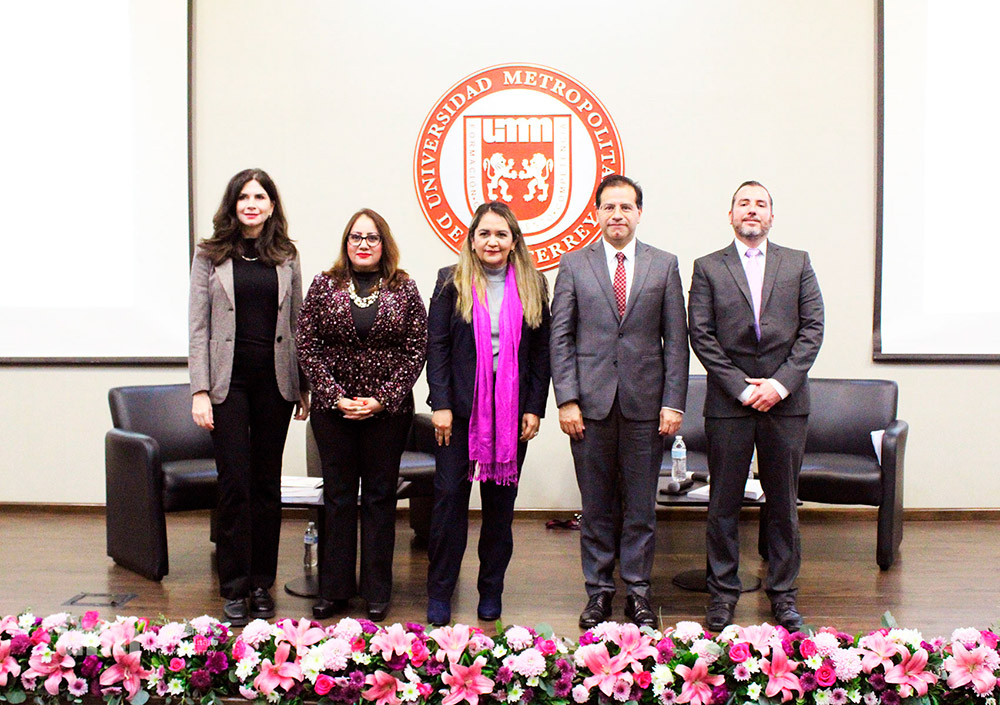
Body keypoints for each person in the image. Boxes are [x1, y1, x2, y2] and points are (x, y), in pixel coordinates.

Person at [550, 174, 689, 629]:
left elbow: (677, 341)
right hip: (588, 407)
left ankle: (640, 594)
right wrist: (566, 399)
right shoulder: (573, 265)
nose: (617, 215)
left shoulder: (663, 265)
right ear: (596, 213)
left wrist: (673, 402)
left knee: (640, 507)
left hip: (647, 408)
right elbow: (561, 338)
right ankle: (599, 593)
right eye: (609, 207)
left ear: (639, 213)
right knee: (595, 506)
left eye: (626, 207)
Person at [688, 180, 824, 632]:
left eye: (760, 204)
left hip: (786, 405)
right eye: (743, 203)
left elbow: (813, 329)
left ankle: (784, 596)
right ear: (730, 215)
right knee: (723, 504)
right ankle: (723, 595)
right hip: (730, 404)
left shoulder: (797, 263)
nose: (752, 210)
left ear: (771, 216)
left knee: (782, 504)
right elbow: (701, 335)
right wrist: (743, 389)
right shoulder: (707, 267)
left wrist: (779, 385)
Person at [189, 168, 309, 626]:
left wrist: (302, 386)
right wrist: (200, 390)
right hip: (227, 385)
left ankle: (262, 584)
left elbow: (298, 323)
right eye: (244, 197)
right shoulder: (210, 255)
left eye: (260, 196)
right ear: (233, 205)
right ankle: (234, 587)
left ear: (272, 205)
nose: (252, 204)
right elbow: (198, 326)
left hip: (274, 385)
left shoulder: (287, 256)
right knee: (235, 485)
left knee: (266, 486)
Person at [295, 208, 427, 623]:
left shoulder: (404, 288)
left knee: (378, 499)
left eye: (371, 238)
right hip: (334, 414)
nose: (363, 244)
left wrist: (382, 399)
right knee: (336, 499)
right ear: (345, 243)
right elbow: (307, 345)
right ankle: (334, 590)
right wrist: (334, 396)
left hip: (387, 415)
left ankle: (376, 591)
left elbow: (416, 350)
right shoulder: (323, 285)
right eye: (356, 237)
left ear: (383, 244)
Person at [425, 201, 550, 626]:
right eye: (484, 234)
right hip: (459, 411)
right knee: (448, 503)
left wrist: (534, 407)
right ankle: (440, 594)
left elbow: (540, 355)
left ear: (514, 241)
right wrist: (439, 403)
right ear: (472, 240)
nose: (492, 241)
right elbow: (437, 347)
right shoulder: (450, 281)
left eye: (501, 234)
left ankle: (490, 593)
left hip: (511, 415)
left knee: (500, 509)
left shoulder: (534, 284)